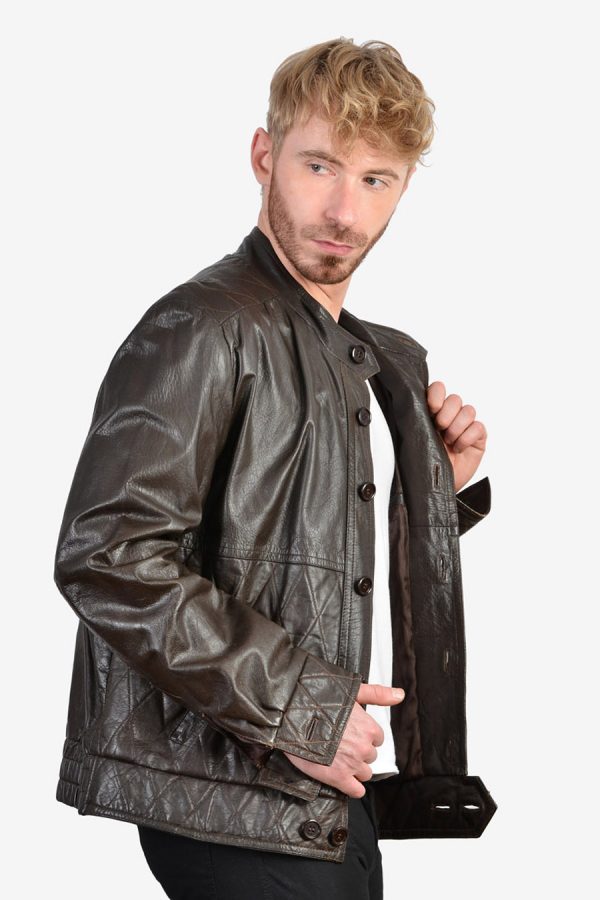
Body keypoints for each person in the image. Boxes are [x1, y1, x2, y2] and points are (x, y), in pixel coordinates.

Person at [53, 37, 496, 900]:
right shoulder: (203, 325)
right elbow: (108, 556)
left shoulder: (372, 355)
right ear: (265, 156)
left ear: (404, 188)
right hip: (230, 793)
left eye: (376, 179)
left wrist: (434, 497)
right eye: (319, 165)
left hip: (325, 791)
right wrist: (309, 711)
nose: (344, 209)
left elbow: (305, 550)